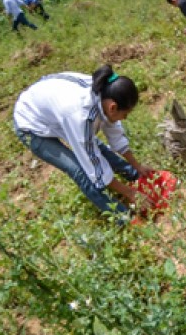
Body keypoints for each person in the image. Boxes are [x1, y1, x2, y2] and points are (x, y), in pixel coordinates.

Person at [13, 65, 154, 225]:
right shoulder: (80, 116)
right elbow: (94, 168)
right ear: (113, 107)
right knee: (79, 171)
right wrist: (130, 193)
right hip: (31, 123)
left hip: (51, 106)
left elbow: (114, 133)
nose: (125, 118)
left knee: (94, 147)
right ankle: (126, 220)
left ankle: (136, 178)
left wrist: (137, 166)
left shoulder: (105, 92)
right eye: (125, 114)